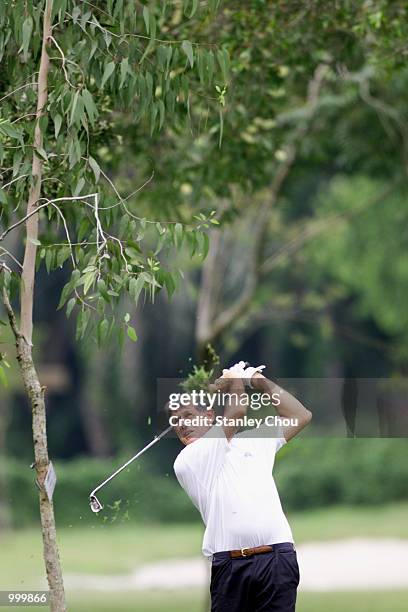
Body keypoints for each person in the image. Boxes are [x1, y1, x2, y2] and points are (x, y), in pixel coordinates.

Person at [170, 362, 312, 612]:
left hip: (277, 558)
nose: (182, 424)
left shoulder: (254, 441)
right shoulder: (188, 461)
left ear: (210, 416)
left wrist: (258, 381)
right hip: (230, 566)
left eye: (189, 415)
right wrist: (236, 379)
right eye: (176, 420)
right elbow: (236, 411)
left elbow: (301, 416)